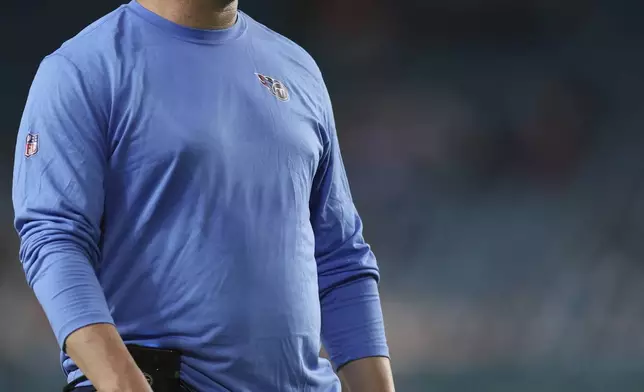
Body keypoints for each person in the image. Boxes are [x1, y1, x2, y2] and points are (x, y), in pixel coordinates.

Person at [12, 0, 395, 391]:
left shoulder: (297, 68)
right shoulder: (82, 68)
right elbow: (54, 239)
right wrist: (122, 384)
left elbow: (340, 259)